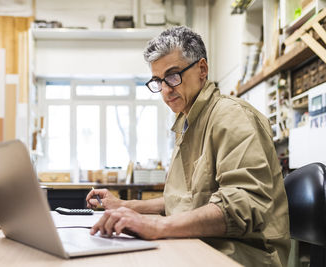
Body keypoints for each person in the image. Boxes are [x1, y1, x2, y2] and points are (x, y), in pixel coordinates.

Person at [86, 26, 290, 267]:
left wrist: (157, 226)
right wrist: (124, 206)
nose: (166, 89)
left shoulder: (232, 116)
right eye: (158, 81)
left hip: (244, 254)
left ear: (202, 69)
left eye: (173, 75)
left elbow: (242, 205)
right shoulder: (188, 122)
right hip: (204, 243)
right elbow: (183, 201)